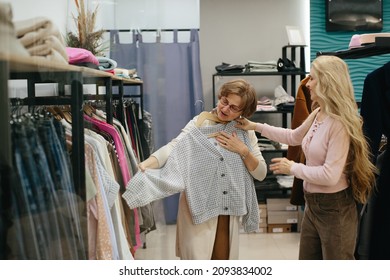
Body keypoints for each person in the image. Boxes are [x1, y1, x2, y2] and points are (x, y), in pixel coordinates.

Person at [234, 55, 377, 260]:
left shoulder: (340, 124)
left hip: (335, 207)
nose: (308, 84)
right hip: (313, 204)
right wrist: (255, 126)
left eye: (313, 78)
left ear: (327, 82)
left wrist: (292, 167)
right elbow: (293, 137)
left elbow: (330, 175)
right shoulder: (319, 113)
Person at [122, 78, 267, 260]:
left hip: (226, 209)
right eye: (224, 101)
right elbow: (174, 147)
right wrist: (146, 164)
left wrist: (243, 151)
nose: (225, 109)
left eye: (233, 108)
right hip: (196, 206)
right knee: (195, 260)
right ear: (220, 96)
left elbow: (261, 173)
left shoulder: (245, 133)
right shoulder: (200, 124)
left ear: (243, 112)